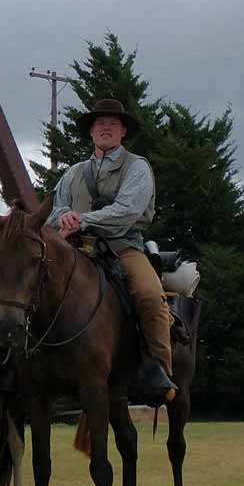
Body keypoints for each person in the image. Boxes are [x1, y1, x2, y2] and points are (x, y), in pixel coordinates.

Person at [47, 98, 175, 403]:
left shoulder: (137, 167)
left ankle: (159, 371)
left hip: (122, 246)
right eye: (100, 123)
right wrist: (63, 218)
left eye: (112, 124)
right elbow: (55, 210)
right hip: (74, 249)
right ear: (91, 132)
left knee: (149, 295)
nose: (105, 127)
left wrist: (82, 219)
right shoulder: (72, 173)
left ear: (122, 133)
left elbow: (128, 210)